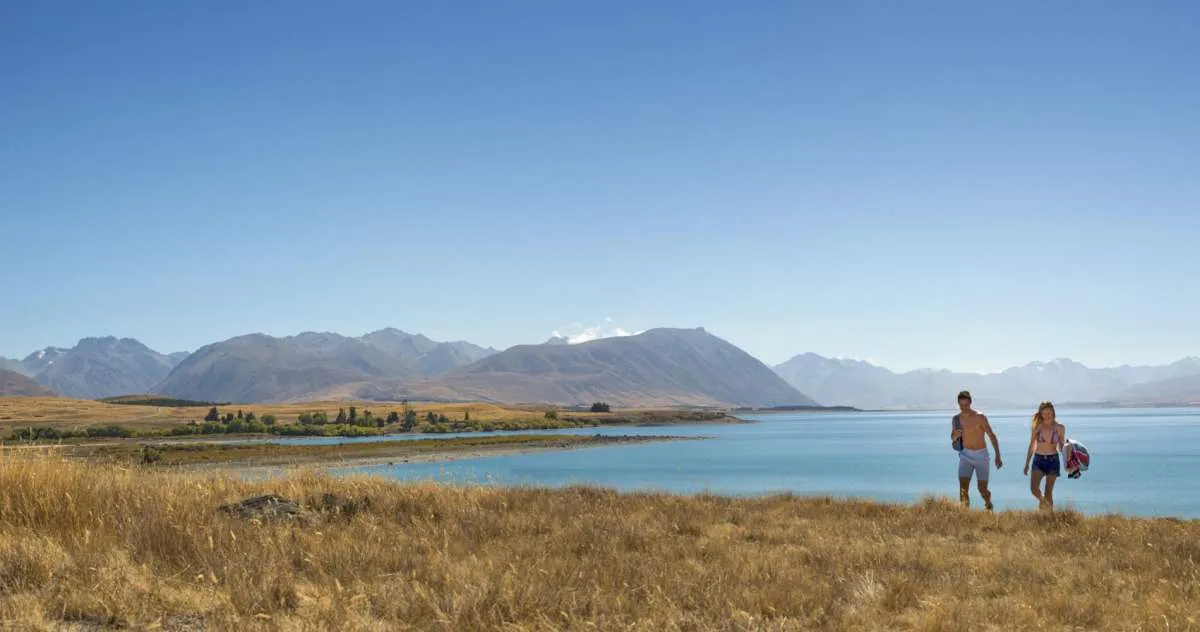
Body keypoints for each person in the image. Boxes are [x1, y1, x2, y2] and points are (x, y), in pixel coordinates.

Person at [950, 390, 1002, 509]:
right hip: (965, 455)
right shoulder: (956, 419)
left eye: (966, 405)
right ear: (958, 404)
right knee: (963, 489)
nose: (964, 408)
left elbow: (992, 436)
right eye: (961, 405)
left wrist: (998, 456)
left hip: (981, 456)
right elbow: (952, 437)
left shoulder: (980, 417)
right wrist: (955, 436)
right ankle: (965, 516)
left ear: (970, 402)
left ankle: (988, 502)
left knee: (982, 489)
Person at [1023, 401, 1065, 511]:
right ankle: (1042, 501)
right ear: (1041, 414)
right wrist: (1027, 463)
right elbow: (1032, 445)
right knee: (1034, 489)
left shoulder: (1060, 427)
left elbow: (1061, 447)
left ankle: (1048, 517)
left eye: (1049, 413)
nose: (1047, 415)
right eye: (1045, 413)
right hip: (1038, 459)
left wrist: (1069, 456)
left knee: (1048, 491)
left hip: (1053, 460)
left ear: (1053, 413)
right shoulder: (1037, 427)